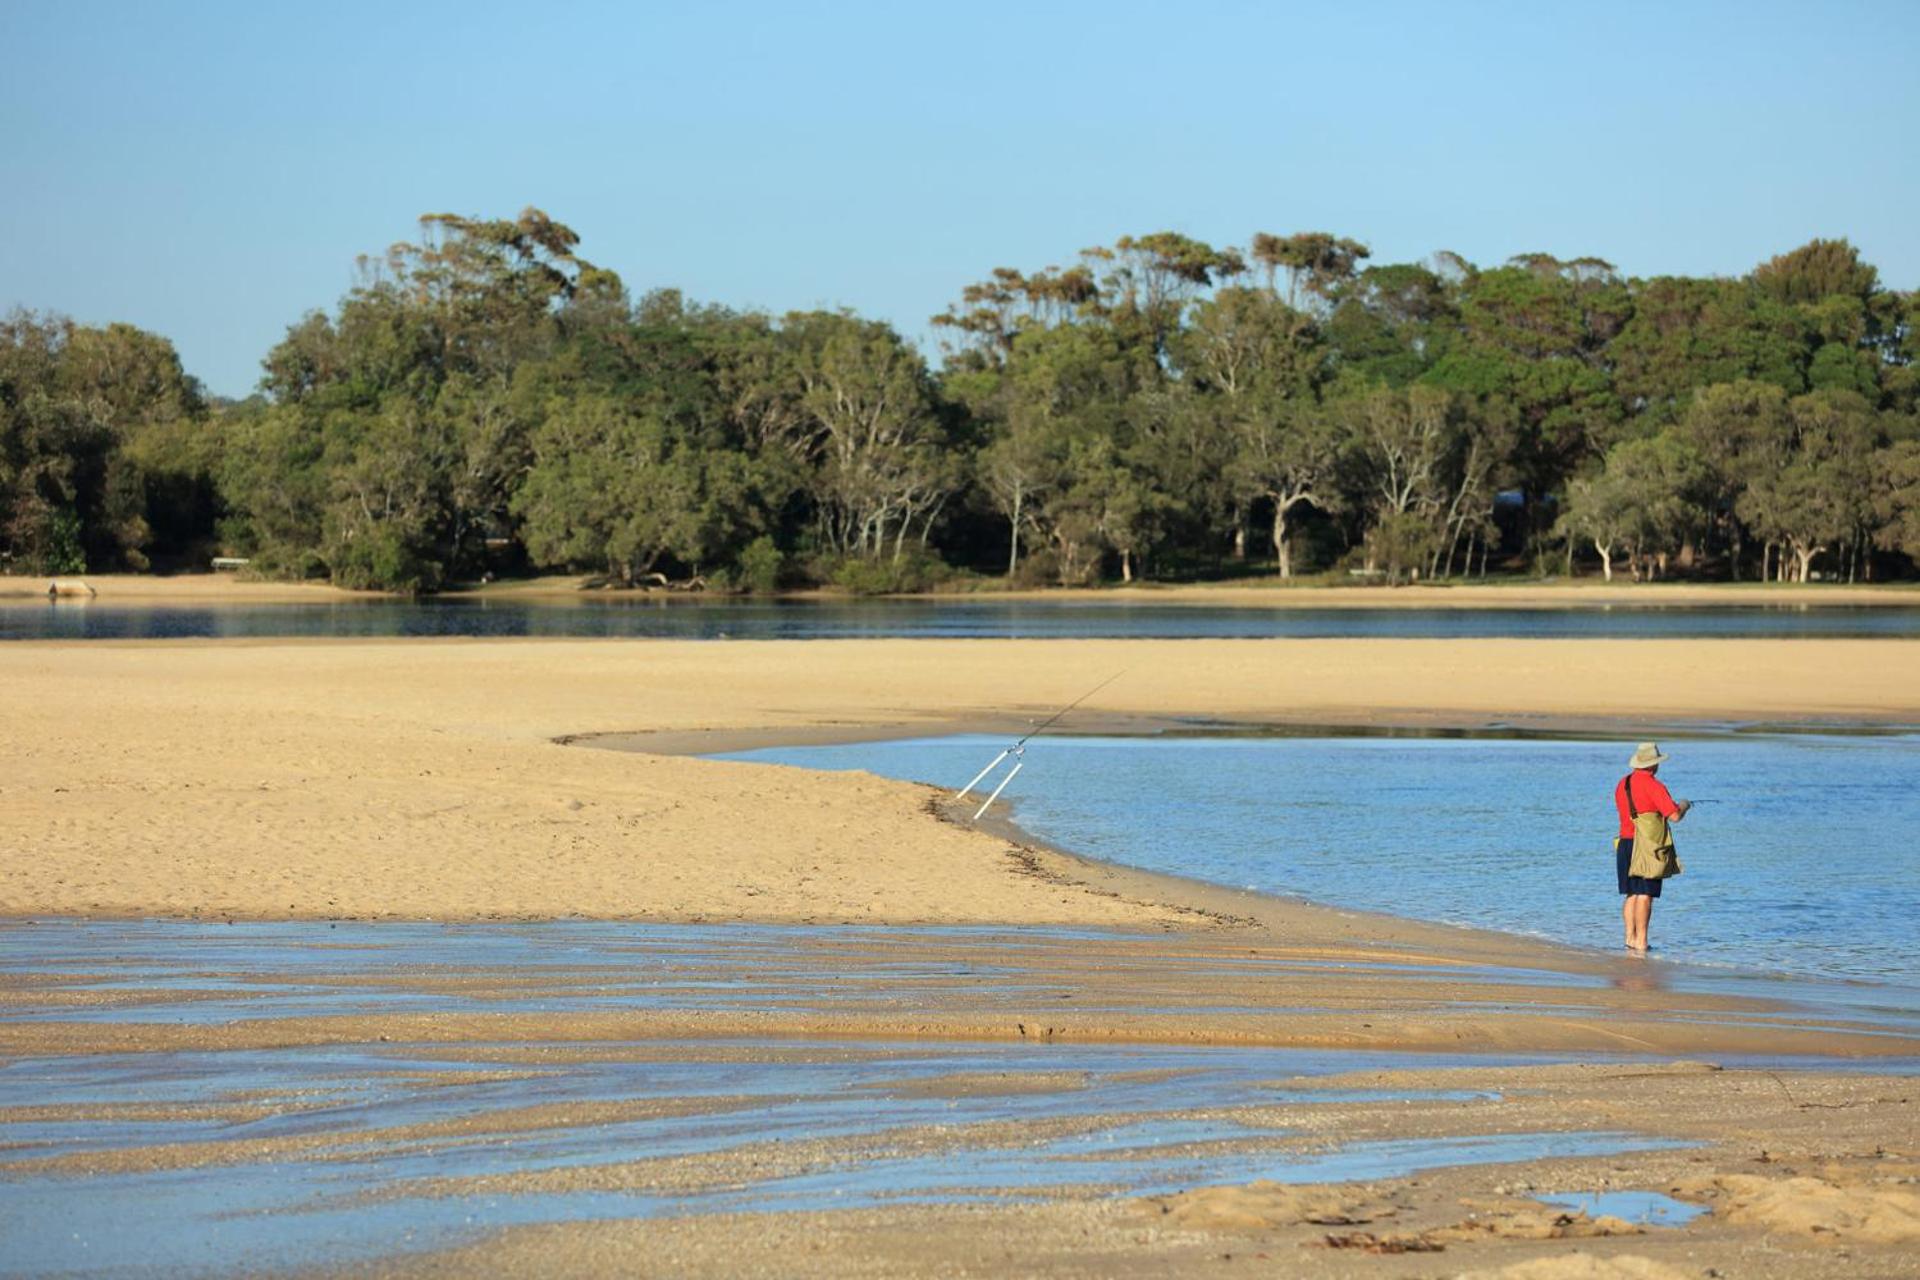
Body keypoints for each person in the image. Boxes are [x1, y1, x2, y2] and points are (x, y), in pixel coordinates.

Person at [1614, 742, 1689, 954]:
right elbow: (1674, 816)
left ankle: (1630, 938)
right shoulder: (1654, 785)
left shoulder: (1622, 783)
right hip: (1647, 846)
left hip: (1625, 843)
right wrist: (1684, 805)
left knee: (1631, 894)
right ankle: (1642, 942)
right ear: (1654, 764)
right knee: (1645, 895)